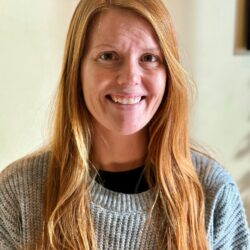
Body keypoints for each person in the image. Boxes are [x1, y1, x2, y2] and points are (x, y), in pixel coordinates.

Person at [0, 0, 249, 249]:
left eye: (149, 58)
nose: (130, 77)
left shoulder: (213, 193)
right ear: (77, 70)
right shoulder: (18, 192)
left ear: (168, 74)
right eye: (108, 56)